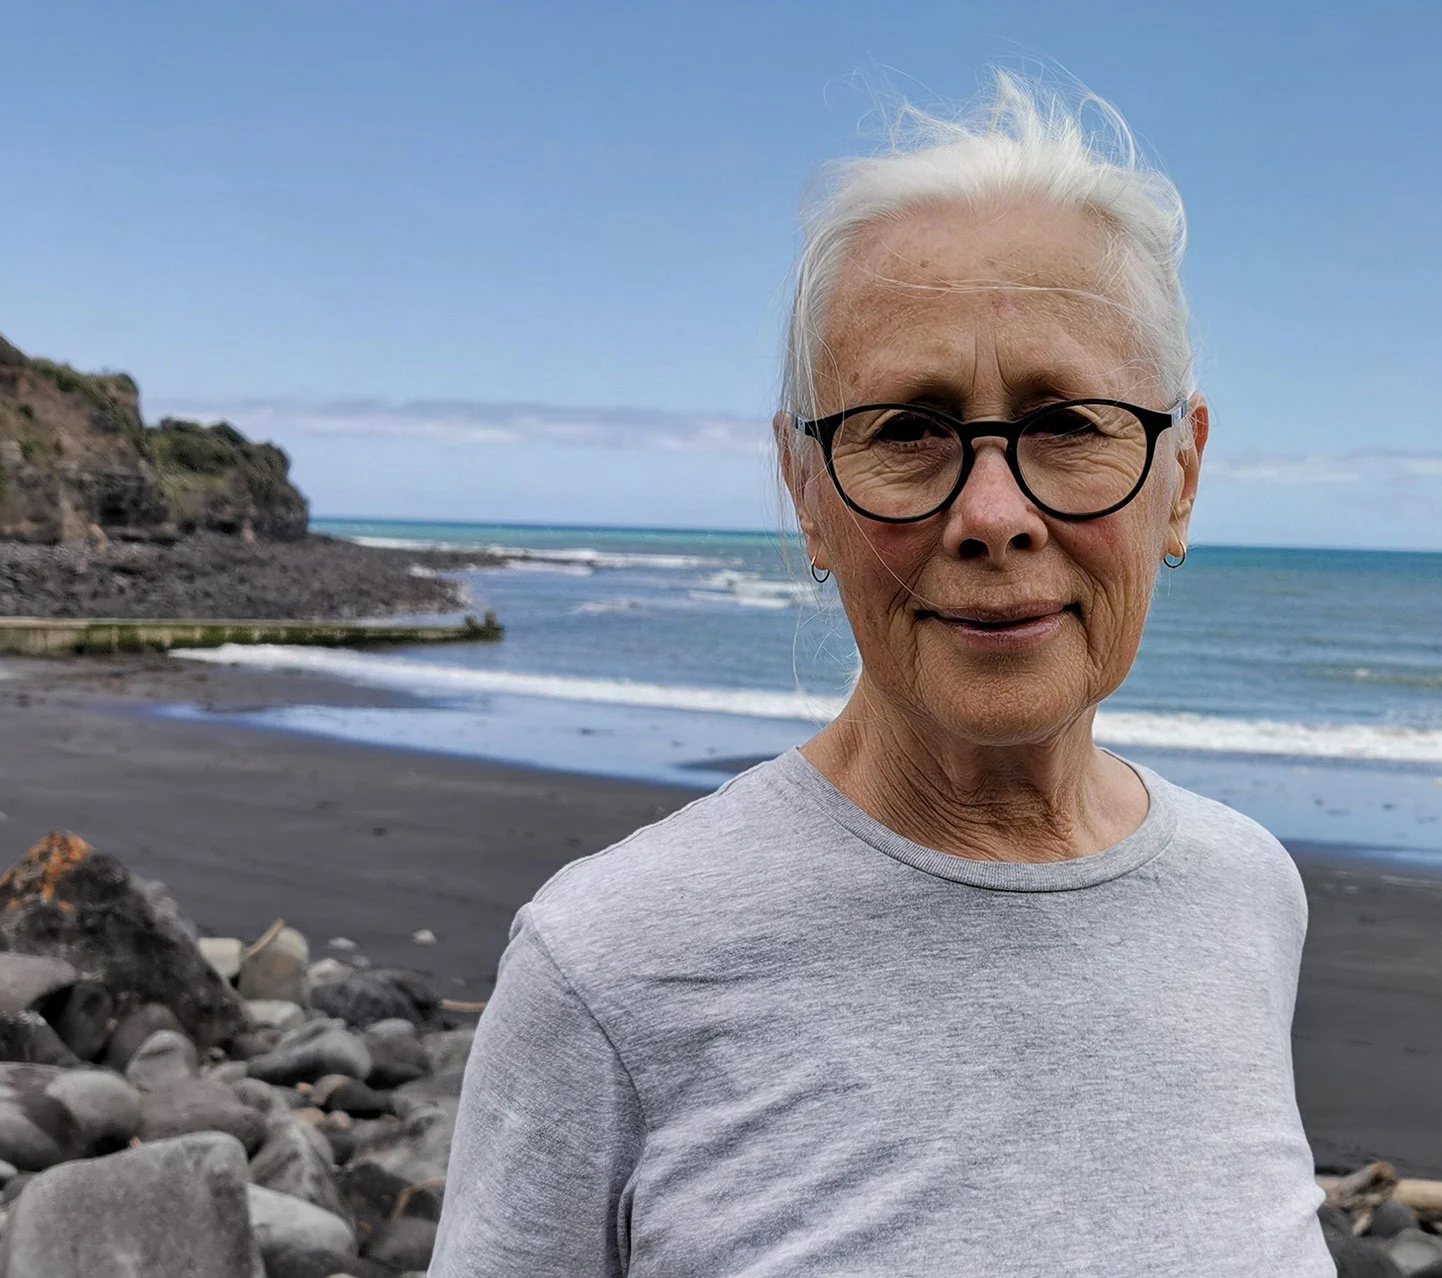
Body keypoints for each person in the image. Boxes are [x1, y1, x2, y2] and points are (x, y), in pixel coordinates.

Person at [433, 71, 1333, 1276]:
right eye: (906, 431)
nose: (993, 515)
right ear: (805, 492)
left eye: (1067, 422)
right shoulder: (608, 965)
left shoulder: (1246, 893)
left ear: (1181, 475)